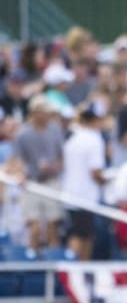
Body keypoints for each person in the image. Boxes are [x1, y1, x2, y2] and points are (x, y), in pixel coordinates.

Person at [11, 95, 65, 250]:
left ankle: (54, 266)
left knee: (52, 226)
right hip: (32, 182)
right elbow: (18, 160)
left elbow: (61, 156)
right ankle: (33, 263)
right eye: (44, 112)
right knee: (34, 227)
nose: (48, 115)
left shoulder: (55, 129)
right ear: (35, 113)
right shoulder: (23, 134)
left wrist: (55, 167)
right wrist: (20, 174)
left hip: (51, 181)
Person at [61, 101, 109, 260]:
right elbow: (95, 172)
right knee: (82, 236)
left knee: (79, 233)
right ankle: (77, 273)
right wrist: (107, 180)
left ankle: (76, 271)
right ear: (96, 119)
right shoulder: (94, 139)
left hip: (69, 193)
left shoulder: (74, 137)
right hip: (85, 196)